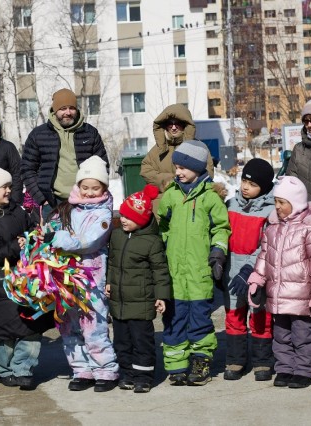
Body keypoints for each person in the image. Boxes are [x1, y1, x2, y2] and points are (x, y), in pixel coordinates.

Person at [0, 160, 50, 391]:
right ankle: (5, 369)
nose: (8, 190)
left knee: (30, 328)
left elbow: (31, 229)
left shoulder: (17, 211)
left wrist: (35, 236)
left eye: (8, 185)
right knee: (4, 333)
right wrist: (13, 248)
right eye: (2, 187)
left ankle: (23, 369)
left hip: (25, 282)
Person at [157, 139, 230, 386]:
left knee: (200, 321)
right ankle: (177, 366)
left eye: (183, 168)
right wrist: (161, 249)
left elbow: (221, 228)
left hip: (200, 274)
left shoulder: (210, 198)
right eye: (176, 167)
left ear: (198, 169)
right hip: (175, 275)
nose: (178, 172)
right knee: (174, 321)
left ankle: (201, 362)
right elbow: (162, 226)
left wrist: (218, 252)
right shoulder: (171, 196)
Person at [44, 155, 118, 392]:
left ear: (104, 188)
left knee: (92, 324)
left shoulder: (103, 214)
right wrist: (43, 235)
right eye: (84, 187)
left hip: (90, 278)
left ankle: (105, 370)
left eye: (95, 188)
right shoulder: (66, 209)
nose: (88, 192)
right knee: (68, 325)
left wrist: (56, 239)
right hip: (64, 280)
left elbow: (87, 241)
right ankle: (81, 370)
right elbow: (49, 228)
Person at [247, 176, 311, 389]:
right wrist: (257, 279)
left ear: (296, 202)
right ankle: (284, 368)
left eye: (282, 202)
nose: (278, 207)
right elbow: (264, 256)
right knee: (281, 335)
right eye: (276, 202)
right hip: (277, 294)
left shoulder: (309, 228)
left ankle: (304, 370)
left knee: (303, 335)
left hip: (301, 294)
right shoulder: (273, 228)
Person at [105, 184, 171, 393]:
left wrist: (162, 296)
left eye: (130, 217)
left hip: (141, 303)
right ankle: (127, 374)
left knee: (142, 342)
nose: (124, 219)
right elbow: (112, 263)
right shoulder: (116, 236)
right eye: (123, 214)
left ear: (141, 220)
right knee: (122, 342)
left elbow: (160, 271)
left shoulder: (152, 242)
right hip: (119, 303)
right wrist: (108, 281)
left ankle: (144, 376)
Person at [222, 159, 275, 382]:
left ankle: (262, 361)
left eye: (252, 184)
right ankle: (236, 359)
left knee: (259, 317)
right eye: (244, 181)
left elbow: (267, 244)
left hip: (257, 272)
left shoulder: (271, 211)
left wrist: (250, 268)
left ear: (263, 187)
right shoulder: (231, 205)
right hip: (231, 271)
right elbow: (221, 233)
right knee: (234, 315)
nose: (245, 187)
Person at [21, 88, 108, 217]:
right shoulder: (38, 135)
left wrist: (93, 193)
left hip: (85, 202)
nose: (68, 112)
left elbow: (103, 165)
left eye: (71, 108)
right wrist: (41, 198)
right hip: (51, 203)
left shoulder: (90, 133)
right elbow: (27, 169)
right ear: (55, 110)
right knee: (53, 237)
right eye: (63, 109)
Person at [140, 104, 215, 211]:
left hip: (190, 204)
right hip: (163, 208)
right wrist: (168, 180)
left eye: (178, 123)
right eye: (170, 124)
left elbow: (208, 174)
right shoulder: (158, 149)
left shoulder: (198, 148)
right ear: (164, 125)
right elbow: (145, 170)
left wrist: (185, 182)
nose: (174, 127)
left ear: (185, 124)